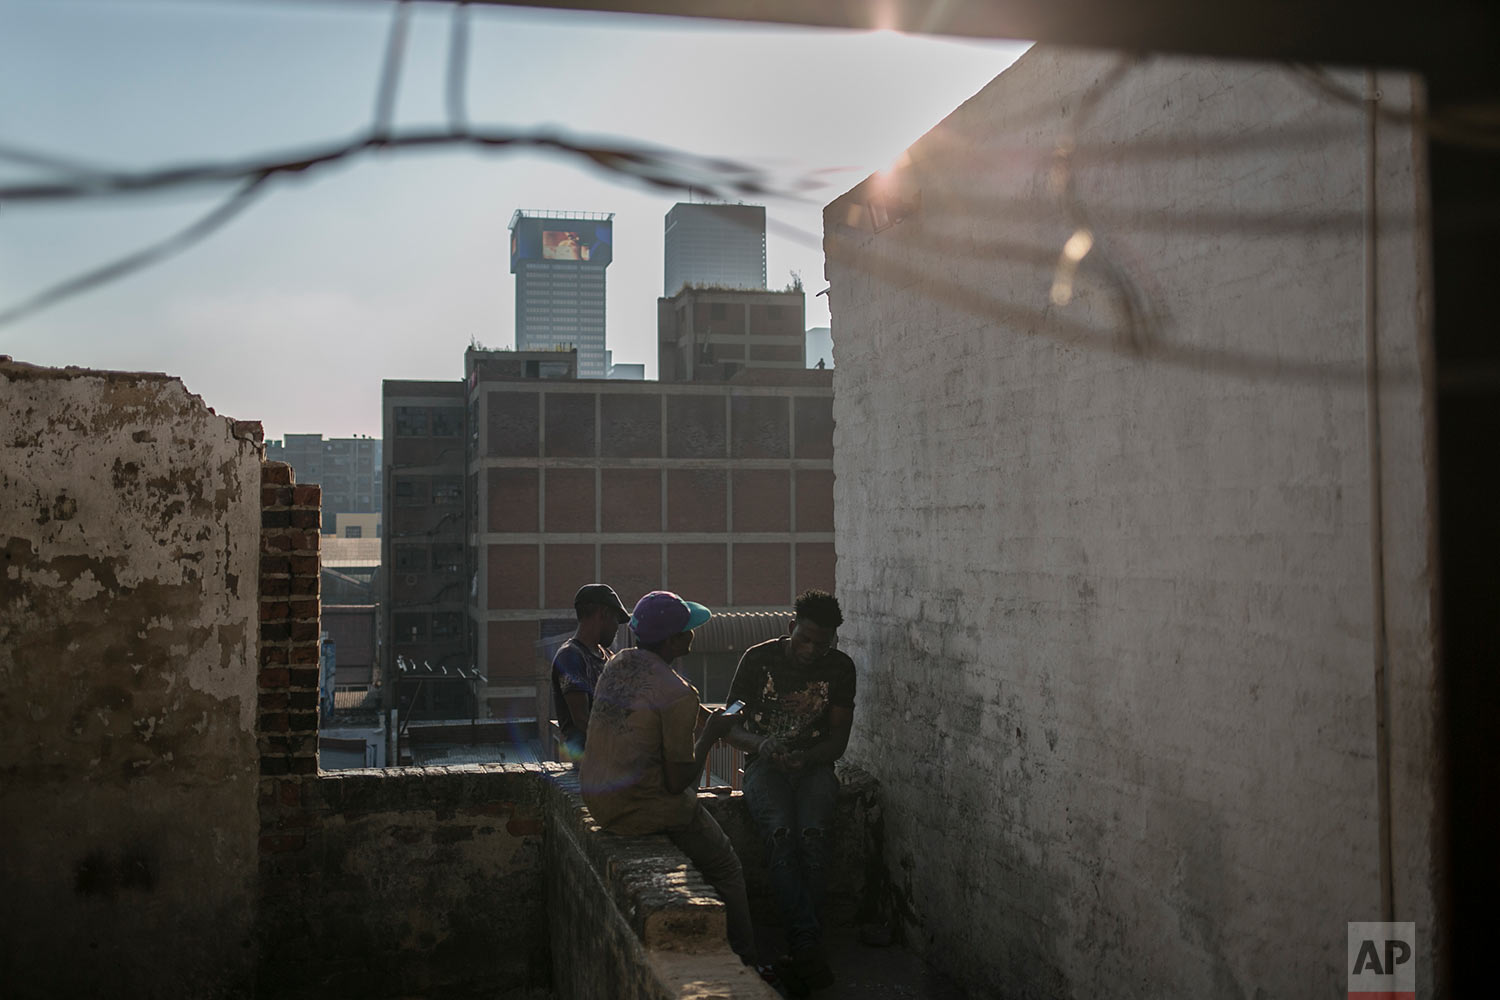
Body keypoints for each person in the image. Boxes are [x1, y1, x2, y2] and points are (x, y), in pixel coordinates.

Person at [580, 590, 758, 968]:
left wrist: (702, 717)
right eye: (687, 630)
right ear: (675, 640)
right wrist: (709, 735)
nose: (693, 634)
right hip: (641, 809)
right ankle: (748, 958)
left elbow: (648, 710)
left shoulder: (619, 664)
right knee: (726, 866)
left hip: (598, 797)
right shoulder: (679, 693)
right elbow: (678, 783)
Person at [723, 590, 855, 993]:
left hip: (815, 768)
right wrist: (761, 745)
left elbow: (838, 741)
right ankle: (807, 946)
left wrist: (810, 757)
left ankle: (803, 946)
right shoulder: (758, 658)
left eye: (822, 643)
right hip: (764, 765)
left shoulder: (841, 669)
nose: (811, 650)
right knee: (781, 836)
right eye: (804, 639)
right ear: (790, 628)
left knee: (812, 838)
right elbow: (728, 726)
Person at [551, 583, 630, 763]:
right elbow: (582, 719)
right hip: (591, 763)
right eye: (616, 619)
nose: (617, 627)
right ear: (603, 613)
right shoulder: (570, 657)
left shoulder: (607, 657)